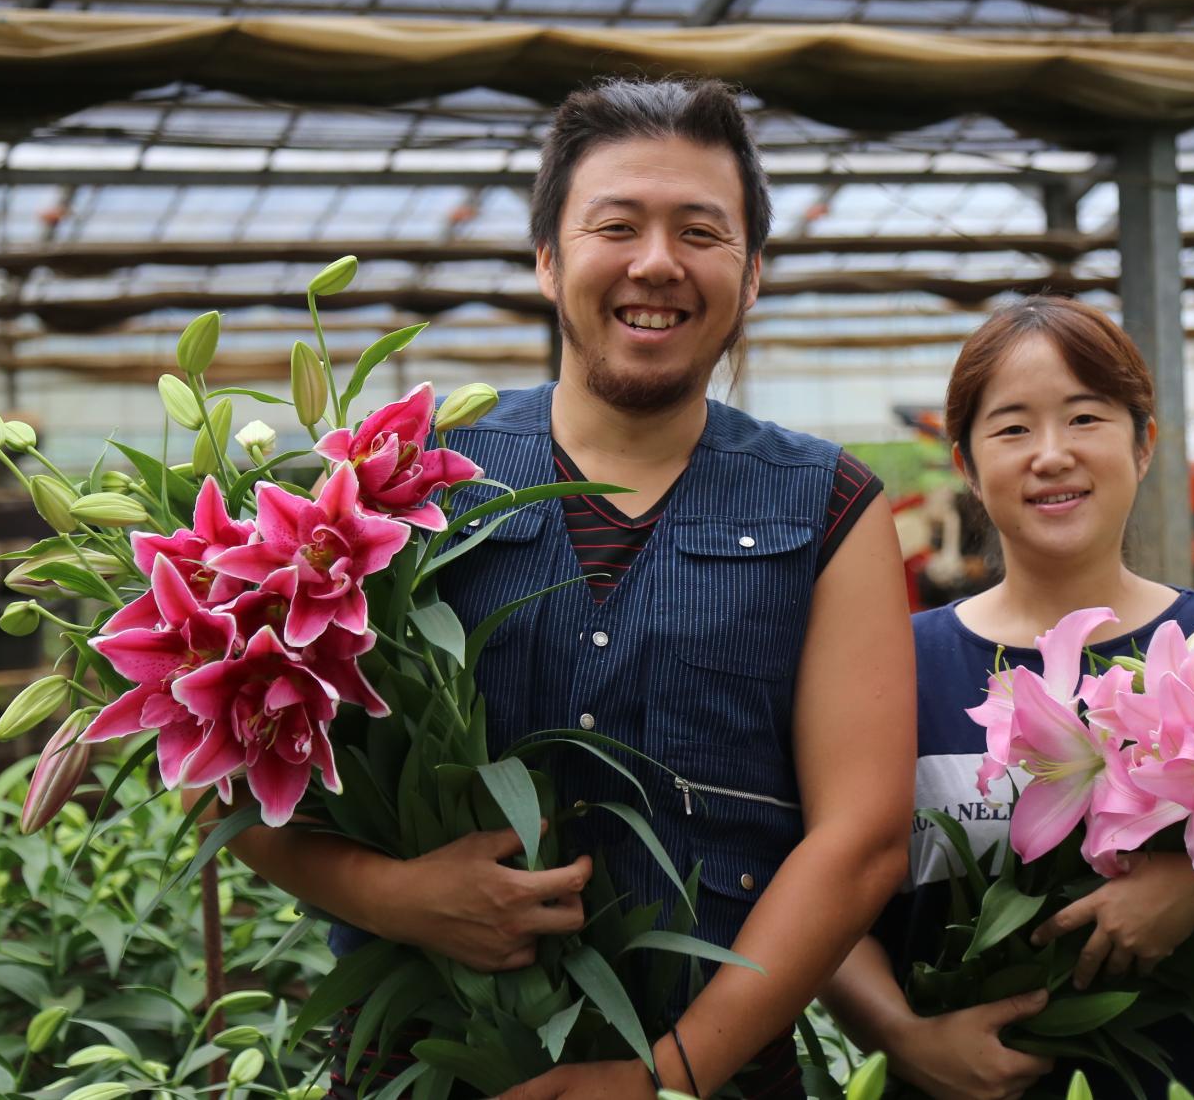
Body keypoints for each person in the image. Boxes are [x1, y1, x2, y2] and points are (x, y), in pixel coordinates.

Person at [216, 77, 915, 1099]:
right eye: (616, 225)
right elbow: (236, 768)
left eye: (700, 231)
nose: (656, 263)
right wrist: (399, 895)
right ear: (547, 259)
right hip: (422, 1065)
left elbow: (859, 840)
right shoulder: (401, 477)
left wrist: (665, 1074)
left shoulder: (827, 504)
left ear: (752, 272)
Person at [821, 296, 1194, 1100]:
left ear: (1144, 445)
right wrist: (904, 1038)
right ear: (965, 462)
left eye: (1086, 417)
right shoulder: (895, 665)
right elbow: (816, 890)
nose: (1051, 454)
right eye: (1013, 427)